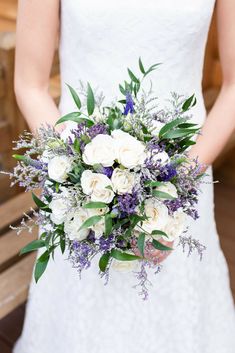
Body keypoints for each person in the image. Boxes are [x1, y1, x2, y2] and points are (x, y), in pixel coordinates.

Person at [13, 1, 235, 352]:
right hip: (84, 185)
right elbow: (30, 84)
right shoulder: (81, 179)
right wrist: (77, 173)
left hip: (186, 174)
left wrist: (174, 188)